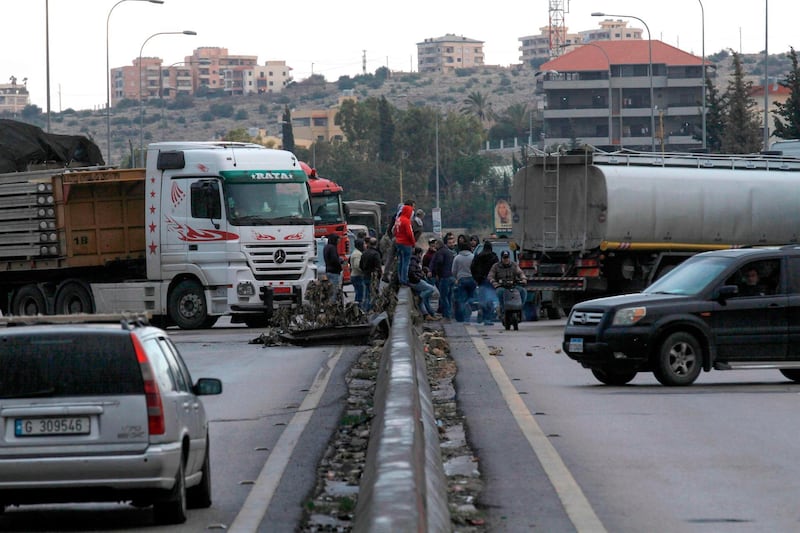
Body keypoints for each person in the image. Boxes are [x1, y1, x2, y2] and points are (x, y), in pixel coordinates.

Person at [488, 250, 527, 316]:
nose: (506, 259)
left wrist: (523, 279)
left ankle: (519, 308)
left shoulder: (514, 265)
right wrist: (494, 282)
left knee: (523, 291)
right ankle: (502, 308)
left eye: (507, 257)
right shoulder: (496, 266)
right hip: (501, 286)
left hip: (513, 286)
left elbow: (520, 273)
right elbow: (490, 276)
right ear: (501, 258)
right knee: (499, 292)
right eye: (504, 258)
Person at [471, 240, 499, 325]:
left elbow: (472, 268)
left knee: (483, 299)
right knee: (490, 300)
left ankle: (483, 316)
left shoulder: (478, 256)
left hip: (481, 281)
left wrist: (476, 278)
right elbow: (497, 269)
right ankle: (488, 318)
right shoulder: (494, 257)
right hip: (491, 281)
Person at [430, 232, 456, 320]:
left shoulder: (440, 252)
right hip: (452, 276)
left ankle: (447, 315)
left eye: (436, 244)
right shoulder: (449, 252)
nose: (434, 246)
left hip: (444, 277)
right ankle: (451, 314)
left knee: (443, 297)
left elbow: (439, 262)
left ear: (439, 245)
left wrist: (437, 273)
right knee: (449, 296)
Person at [409, 246, 439, 320]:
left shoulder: (414, 261)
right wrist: (419, 278)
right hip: (416, 281)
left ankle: (426, 315)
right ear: (418, 254)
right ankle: (420, 298)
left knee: (422, 302)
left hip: (416, 280)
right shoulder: (413, 261)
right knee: (431, 289)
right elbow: (412, 273)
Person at [452, 241, 476, 322]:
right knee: (471, 296)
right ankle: (469, 305)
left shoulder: (457, 257)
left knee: (462, 299)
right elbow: (477, 268)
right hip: (472, 279)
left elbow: (453, 270)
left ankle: (464, 317)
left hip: (461, 279)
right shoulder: (473, 257)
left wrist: (457, 277)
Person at [393, 204, 416, 286]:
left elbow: (394, 231)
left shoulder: (398, 219)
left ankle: (400, 278)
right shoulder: (406, 221)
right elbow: (410, 234)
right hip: (406, 243)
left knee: (400, 261)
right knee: (406, 262)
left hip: (398, 242)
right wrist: (413, 243)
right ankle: (404, 279)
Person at [359, 237, 383, 311]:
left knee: (366, 294)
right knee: (373, 294)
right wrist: (379, 275)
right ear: (376, 244)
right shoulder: (376, 254)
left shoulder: (364, 253)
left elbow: (361, 265)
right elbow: (378, 267)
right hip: (373, 277)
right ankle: (370, 310)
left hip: (365, 275)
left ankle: (364, 309)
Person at [323, 234, 343, 302]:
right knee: (334, 291)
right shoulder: (332, 248)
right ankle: (332, 307)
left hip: (328, 270)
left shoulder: (326, 247)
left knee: (329, 291)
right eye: (338, 239)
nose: (339, 241)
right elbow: (334, 259)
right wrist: (340, 266)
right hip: (334, 271)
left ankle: (328, 305)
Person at [349, 238, 365, 307]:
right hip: (357, 276)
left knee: (358, 292)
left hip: (355, 275)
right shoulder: (357, 254)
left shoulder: (356, 252)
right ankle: (358, 308)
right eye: (363, 244)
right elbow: (357, 265)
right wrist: (363, 271)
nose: (365, 246)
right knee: (359, 294)